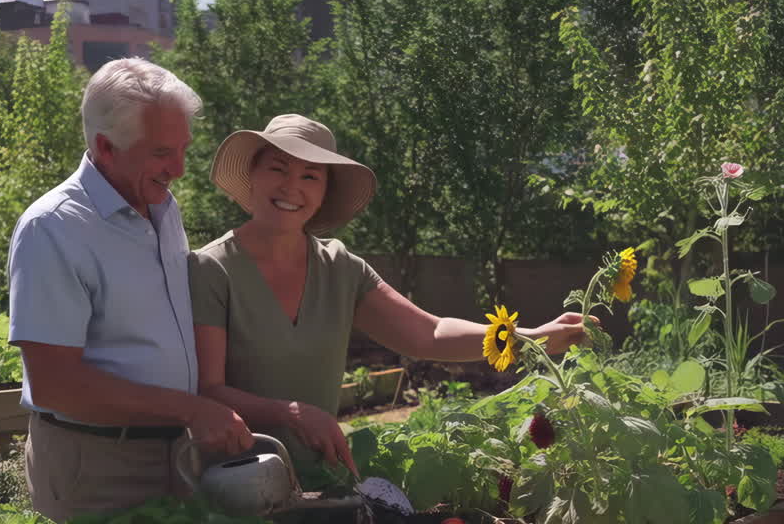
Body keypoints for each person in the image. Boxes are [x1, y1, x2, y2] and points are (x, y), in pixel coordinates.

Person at [189, 114, 590, 477]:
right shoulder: (212, 268)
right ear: (253, 175)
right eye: (278, 168)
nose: (291, 186)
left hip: (323, 476)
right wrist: (291, 414)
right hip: (233, 482)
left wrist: (528, 339)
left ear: (325, 192)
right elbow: (209, 391)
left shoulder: (340, 267)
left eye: (310, 176)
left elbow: (429, 333)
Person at [7, 58, 254, 523]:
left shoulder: (161, 206)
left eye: (183, 149)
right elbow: (55, 384)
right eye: (161, 153)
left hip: (175, 454)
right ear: (105, 147)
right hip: (96, 466)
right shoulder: (53, 228)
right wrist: (191, 409)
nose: (179, 169)